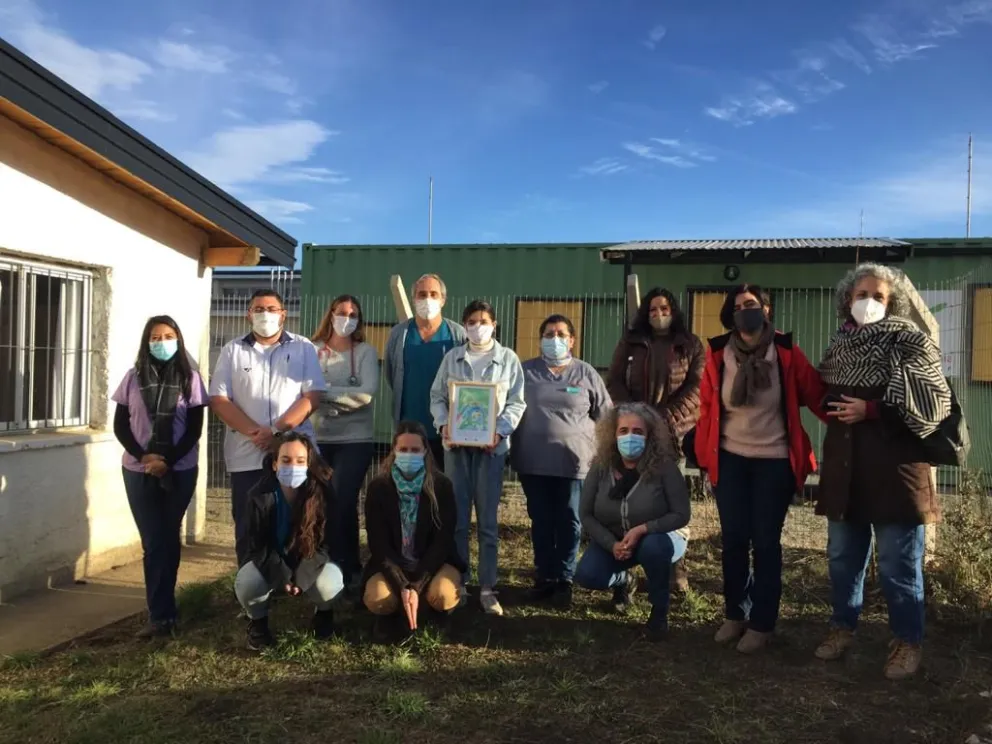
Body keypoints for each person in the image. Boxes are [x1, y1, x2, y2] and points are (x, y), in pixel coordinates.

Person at [813, 263, 951, 680]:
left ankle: (908, 641)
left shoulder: (911, 342)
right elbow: (822, 394)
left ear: (894, 304)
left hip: (897, 471)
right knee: (842, 558)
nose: (868, 302)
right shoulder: (838, 348)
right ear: (846, 300)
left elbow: (934, 406)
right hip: (845, 468)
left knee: (898, 564)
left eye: (878, 296)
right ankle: (842, 627)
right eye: (861, 294)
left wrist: (871, 409)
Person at [694, 283, 827, 654]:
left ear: (766, 310)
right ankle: (736, 613)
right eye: (737, 306)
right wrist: (705, 459)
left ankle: (763, 622)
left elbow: (816, 394)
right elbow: (707, 408)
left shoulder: (785, 350)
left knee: (766, 542)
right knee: (734, 539)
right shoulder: (718, 353)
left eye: (751, 305)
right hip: (730, 458)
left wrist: (855, 421)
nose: (744, 311)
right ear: (730, 314)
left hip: (775, 461)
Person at [209, 289, 325, 567]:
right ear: (248, 314)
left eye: (271, 309)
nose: (265, 314)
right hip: (246, 454)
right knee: (249, 525)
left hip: (294, 455)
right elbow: (219, 399)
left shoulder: (303, 347)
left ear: (283, 314)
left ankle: (299, 582)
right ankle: (252, 591)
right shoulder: (232, 350)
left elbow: (313, 397)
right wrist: (256, 433)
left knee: (300, 519)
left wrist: (276, 431)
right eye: (258, 309)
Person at [112, 315, 207, 638]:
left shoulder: (190, 378)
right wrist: (144, 457)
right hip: (138, 470)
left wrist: (167, 460)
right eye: (155, 337)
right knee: (155, 541)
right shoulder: (132, 378)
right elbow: (121, 426)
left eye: (168, 336)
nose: (161, 342)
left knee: (167, 536)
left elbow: (194, 429)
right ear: (146, 342)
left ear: (178, 340)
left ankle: (165, 613)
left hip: (179, 470)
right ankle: (161, 615)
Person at [430, 300, 526, 616]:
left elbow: (516, 403)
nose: (477, 325)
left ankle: (487, 587)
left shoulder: (508, 359)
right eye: (471, 321)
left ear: (494, 324)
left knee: (486, 522)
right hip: (456, 450)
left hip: (491, 450)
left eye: (483, 320)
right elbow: (437, 398)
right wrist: (444, 424)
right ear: (465, 325)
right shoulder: (452, 358)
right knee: (456, 519)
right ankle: (459, 582)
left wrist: (498, 431)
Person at [606, 287, 704, 593]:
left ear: (674, 311)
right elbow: (615, 381)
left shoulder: (689, 344)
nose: (658, 314)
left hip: (672, 436)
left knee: (667, 504)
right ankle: (627, 574)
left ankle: (675, 570)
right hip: (633, 434)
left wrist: (664, 419)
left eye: (664, 308)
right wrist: (635, 417)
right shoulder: (631, 342)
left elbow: (696, 387)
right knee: (630, 502)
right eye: (652, 310)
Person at [513, 314, 611, 607]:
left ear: (571, 340)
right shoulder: (524, 371)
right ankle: (545, 577)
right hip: (533, 463)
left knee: (570, 520)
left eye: (561, 334)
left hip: (574, 465)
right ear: (540, 338)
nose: (554, 339)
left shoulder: (586, 374)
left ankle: (565, 580)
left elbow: (606, 416)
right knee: (541, 520)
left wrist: (605, 454)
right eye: (548, 334)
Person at [573, 402, 690, 641]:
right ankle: (625, 580)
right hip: (616, 540)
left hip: (662, 537)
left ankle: (659, 614)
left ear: (650, 436)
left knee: (654, 547)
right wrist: (610, 544)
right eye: (623, 431)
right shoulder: (600, 466)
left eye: (638, 432)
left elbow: (681, 514)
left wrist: (643, 529)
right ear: (613, 434)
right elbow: (586, 514)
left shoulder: (665, 467)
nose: (630, 437)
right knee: (587, 575)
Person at [234, 432, 344, 651]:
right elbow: (257, 546)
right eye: (285, 460)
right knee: (248, 582)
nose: (292, 466)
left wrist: (301, 577)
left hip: (311, 560)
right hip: (271, 560)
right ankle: (258, 623)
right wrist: (283, 576)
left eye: (300, 461)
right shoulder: (258, 495)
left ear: (308, 464)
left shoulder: (322, 494)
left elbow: (325, 545)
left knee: (329, 584)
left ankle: (323, 615)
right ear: (275, 464)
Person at [362, 421, 466, 633]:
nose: (409, 455)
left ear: (425, 451)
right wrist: (402, 585)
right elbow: (378, 544)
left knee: (443, 596)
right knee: (378, 599)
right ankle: (391, 614)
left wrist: (415, 584)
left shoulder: (441, 486)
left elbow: (443, 541)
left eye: (415, 450)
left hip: (433, 564)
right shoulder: (378, 488)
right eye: (403, 449)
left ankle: (436, 612)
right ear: (394, 451)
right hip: (393, 563)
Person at [312, 294, 379, 592]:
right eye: (341, 313)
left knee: (342, 497)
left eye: (353, 314)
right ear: (330, 314)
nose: (346, 319)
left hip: (356, 440)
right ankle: (324, 564)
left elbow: (367, 394)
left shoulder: (364, 352)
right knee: (323, 502)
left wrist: (326, 396)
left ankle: (346, 568)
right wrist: (338, 398)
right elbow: (304, 391)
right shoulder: (312, 351)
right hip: (319, 439)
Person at [385, 274, 467, 469]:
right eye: (422, 294)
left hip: (447, 430)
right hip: (409, 431)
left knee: (443, 491)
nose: (427, 299)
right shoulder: (399, 334)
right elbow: (391, 373)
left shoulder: (457, 335)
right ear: (414, 299)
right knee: (409, 490)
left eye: (433, 294)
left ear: (443, 299)